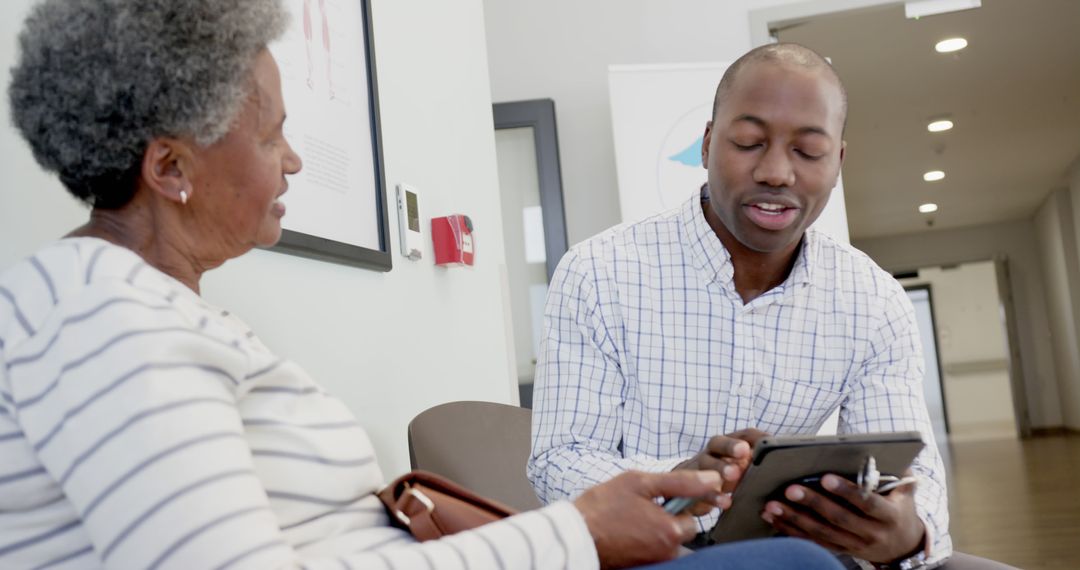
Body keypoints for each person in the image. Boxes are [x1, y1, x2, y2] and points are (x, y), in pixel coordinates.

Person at [0, 1, 847, 569]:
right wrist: (576, 531)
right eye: (272, 135)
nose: (292, 158)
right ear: (171, 166)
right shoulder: (103, 322)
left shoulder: (144, 310)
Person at [528, 43, 952, 569]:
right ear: (707, 144)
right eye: (749, 142)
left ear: (838, 163)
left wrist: (906, 534)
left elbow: (917, 480)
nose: (776, 172)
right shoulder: (598, 273)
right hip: (644, 553)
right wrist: (682, 480)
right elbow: (559, 462)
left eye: (809, 151)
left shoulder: (874, 301)